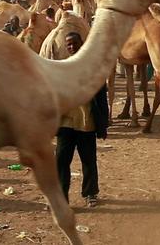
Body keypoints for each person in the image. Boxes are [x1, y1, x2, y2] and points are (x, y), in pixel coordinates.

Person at [56, 32, 108, 207]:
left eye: (74, 43)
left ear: (82, 43)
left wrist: (103, 123)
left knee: (88, 160)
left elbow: (101, 97)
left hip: (87, 122)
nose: (71, 47)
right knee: (61, 161)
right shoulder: (62, 67)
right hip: (65, 123)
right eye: (68, 44)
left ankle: (90, 193)